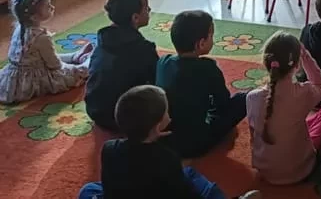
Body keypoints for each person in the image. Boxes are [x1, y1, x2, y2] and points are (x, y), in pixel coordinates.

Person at [78, 85, 262, 199]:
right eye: (166, 112)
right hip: (166, 188)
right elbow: (186, 194)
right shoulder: (166, 158)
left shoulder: (109, 148)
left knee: (89, 190)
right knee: (198, 182)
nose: (169, 115)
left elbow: (112, 188)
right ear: (158, 126)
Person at [156, 10, 247, 158]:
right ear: (201, 43)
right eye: (211, 36)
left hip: (166, 139)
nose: (213, 40)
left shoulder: (163, 61)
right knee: (243, 98)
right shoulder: (208, 67)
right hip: (195, 143)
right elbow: (222, 103)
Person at [247, 32, 321, 185]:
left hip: (265, 170)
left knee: (298, 122)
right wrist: (305, 55)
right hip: (301, 169)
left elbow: (253, 137)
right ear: (297, 65)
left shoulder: (252, 97)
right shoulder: (303, 93)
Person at [0, 0, 92, 104]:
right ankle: (88, 62)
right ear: (34, 17)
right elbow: (55, 65)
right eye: (48, 7)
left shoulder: (20, 28)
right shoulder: (41, 37)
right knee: (74, 73)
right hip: (30, 80)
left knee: (42, 57)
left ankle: (75, 56)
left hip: (15, 75)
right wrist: (71, 68)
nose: (52, 8)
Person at [85, 0, 159, 130]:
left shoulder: (103, 39)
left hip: (95, 110)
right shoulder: (143, 48)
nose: (150, 10)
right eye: (146, 8)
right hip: (123, 118)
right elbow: (157, 80)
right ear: (135, 18)